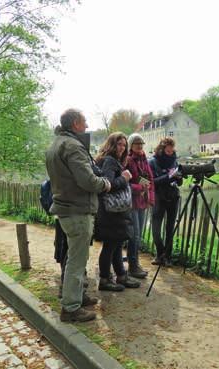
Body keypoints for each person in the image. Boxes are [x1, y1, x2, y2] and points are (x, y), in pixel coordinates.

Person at [46, 108, 111, 323]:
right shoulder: (73, 146)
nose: (86, 125)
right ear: (75, 123)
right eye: (84, 122)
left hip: (66, 207)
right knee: (76, 260)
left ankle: (77, 296)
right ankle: (71, 308)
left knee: (76, 257)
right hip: (77, 210)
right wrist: (106, 184)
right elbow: (87, 180)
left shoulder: (56, 144)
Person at [94, 132, 141, 291]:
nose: (122, 148)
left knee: (116, 243)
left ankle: (120, 275)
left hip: (113, 211)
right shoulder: (109, 161)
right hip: (111, 211)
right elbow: (108, 184)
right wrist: (125, 178)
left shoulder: (111, 161)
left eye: (123, 145)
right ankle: (105, 279)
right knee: (110, 245)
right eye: (119, 144)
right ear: (111, 145)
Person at [149, 137, 182, 266]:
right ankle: (160, 253)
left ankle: (167, 257)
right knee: (156, 230)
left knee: (170, 229)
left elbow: (178, 182)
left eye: (171, 151)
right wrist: (168, 177)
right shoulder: (153, 162)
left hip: (173, 197)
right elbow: (152, 182)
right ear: (162, 149)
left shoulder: (174, 161)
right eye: (167, 151)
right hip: (159, 197)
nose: (170, 153)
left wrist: (179, 178)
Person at [125, 133, 155, 278]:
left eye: (141, 144)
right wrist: (139, 188)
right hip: (131, 203)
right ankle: (132, 266)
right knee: (134, 235)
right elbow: (125, 184)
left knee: (139, 235)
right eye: (137, 144)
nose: (140, 147)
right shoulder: (128, 160)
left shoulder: (145, 160)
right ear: (131, 146)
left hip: (142, 202)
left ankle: (135, 263)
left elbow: (151, 180)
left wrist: (151, 198)